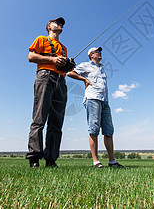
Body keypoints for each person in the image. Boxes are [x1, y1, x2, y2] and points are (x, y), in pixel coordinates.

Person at [68, 47, 124, 168]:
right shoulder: (85, 65)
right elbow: (69, 73)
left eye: (100, 51)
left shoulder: (102, 68)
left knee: (109, 130)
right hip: (92, 98)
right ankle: (95, 161)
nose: (100, 53)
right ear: (91, 55)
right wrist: (84, 79)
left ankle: (112, 161)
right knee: (94, 129)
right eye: (97, 52)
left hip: (105, 101)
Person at [26, 17, 69, 168]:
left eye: (62, 24)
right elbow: (31, 57)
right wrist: (52, 60)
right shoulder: (41, 39)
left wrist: (68, 65)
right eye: (57, 22)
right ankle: (34, 158)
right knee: (39, 117)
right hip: (45, 77)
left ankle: (51, 159)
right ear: (49, 26)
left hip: (61, 81)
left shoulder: (63, 48)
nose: (60, 25)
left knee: (56, 122)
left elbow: (65, 68)